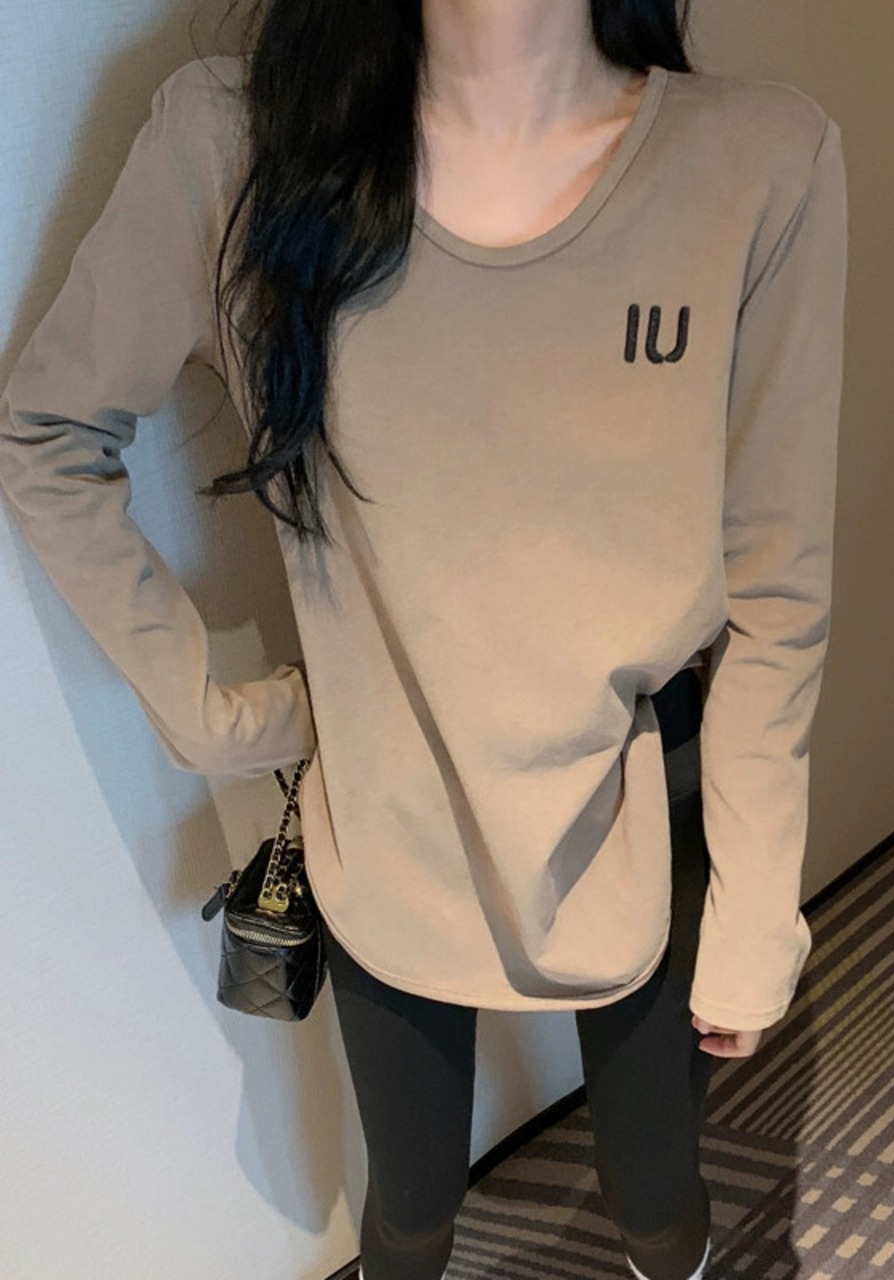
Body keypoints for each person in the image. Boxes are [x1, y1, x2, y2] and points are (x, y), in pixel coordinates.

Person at [0, 1, 848, 1277]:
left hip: (640, 800)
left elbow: (777, 584)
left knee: (657, 1193)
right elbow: (50, 432)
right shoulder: (231, 144)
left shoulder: (760, 163)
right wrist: (216, 715)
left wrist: (755, 905)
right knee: (406, 1208)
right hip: (387, 815)